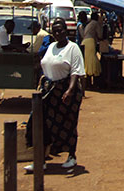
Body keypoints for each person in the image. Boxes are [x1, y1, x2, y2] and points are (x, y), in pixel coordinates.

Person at [25, 18, 85, 172]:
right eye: (55, 30)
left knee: (68, 124)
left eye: (61, 30)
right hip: (49, 92)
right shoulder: (51, 46)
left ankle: (71, 157)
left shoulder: (73, 48)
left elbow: (76, 72)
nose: (58, 33)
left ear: (66, 31)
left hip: (66, 92)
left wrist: (70, 90)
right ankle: (41, 159)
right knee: (41, 124)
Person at [82, 12, 103, 85]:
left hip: (84, 42)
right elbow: (100, 35)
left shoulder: (89, 24)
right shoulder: (96, 23)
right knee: (92, 61)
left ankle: (88, 83)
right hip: (90, 42)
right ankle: (93, 82)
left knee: (87, 62)